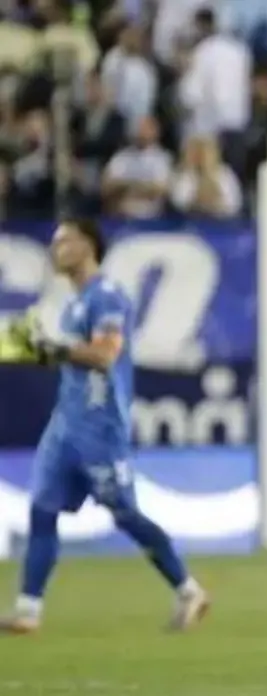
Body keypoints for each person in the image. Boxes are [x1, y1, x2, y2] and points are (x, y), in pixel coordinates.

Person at [0, 219, 209, 635]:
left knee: (124, 513)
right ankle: (28, 609)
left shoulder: (108, 296)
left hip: (101, 427)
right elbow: (73, 358)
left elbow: (106, 354)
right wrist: (45, 353)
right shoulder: (72, 305)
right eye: (54, 241)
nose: (56, 247)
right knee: (42, 509)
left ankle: (189, 589)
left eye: (65, 240)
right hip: (66, 423)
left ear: (88, 245)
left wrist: (54, 349)